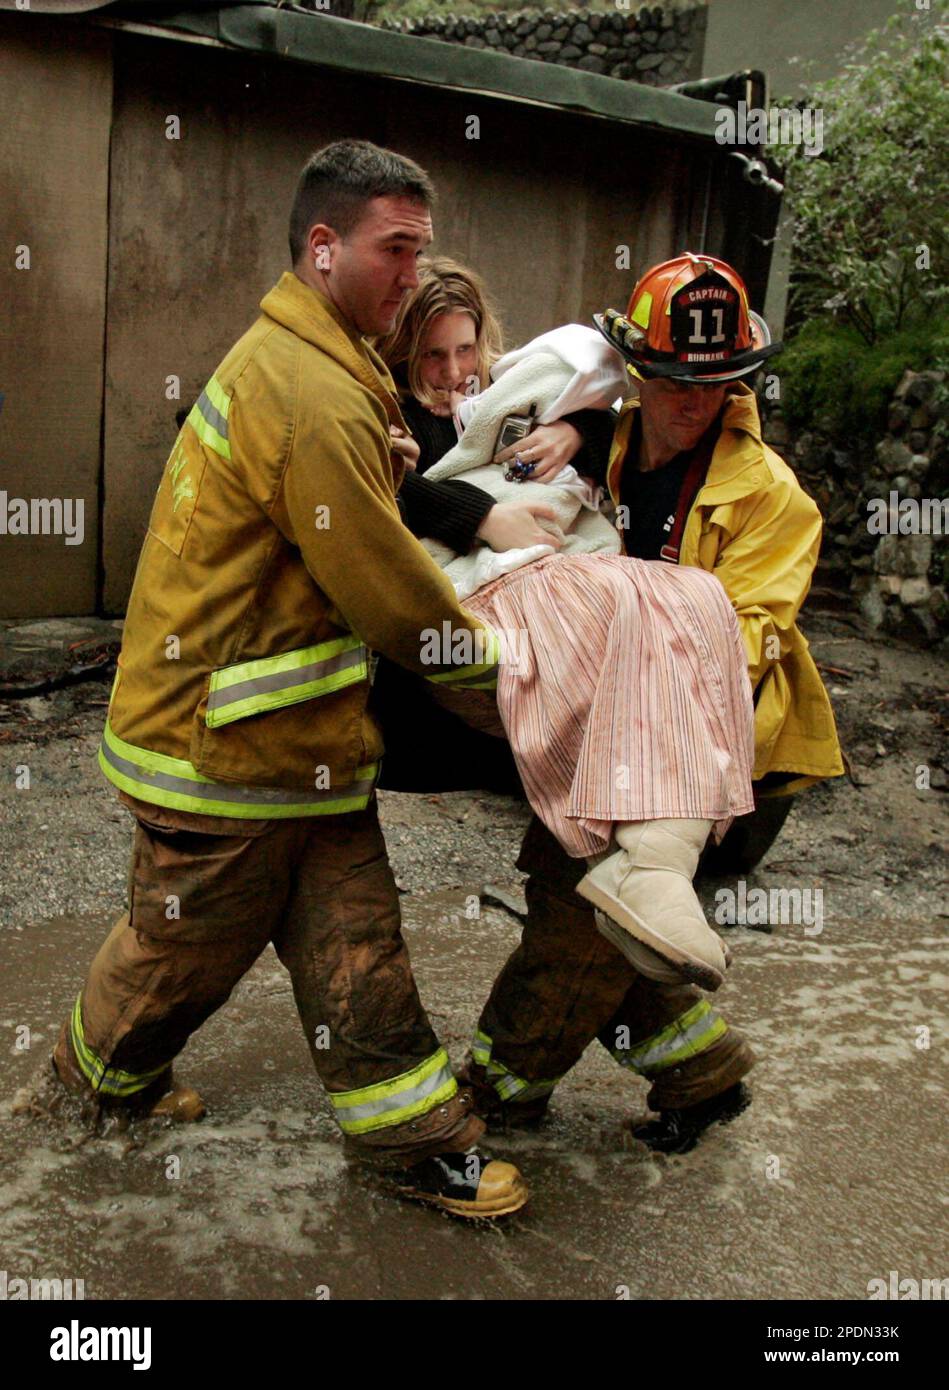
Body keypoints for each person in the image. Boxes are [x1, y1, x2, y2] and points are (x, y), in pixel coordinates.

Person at [39, 140, 533, 1220]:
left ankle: (419, 1140)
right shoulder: (308, 385)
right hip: (227, 755)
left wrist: (387, 474)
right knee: (179, 956)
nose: (414, 274)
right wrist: (518, 691)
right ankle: (84, 1088)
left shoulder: (319, 354)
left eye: (422, 250)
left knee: (356, 939)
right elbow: (391, 596)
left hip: (289, 749)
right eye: (395, 250)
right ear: (323, 247)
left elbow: (325, 520)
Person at [461, 253, 845, 1151]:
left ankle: (499, 1091)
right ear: (636, 369)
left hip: (718, 754)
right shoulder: (609, 436)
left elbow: (739, 646)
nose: (691, 402)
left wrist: (614, 624)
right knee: (619, 915)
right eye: (671, 380)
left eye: (715, 385)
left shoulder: (773, 501)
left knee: (576, 909)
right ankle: (699, 1070)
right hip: (613, 736)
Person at [375, 258, 761, 1051]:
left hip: (625, 682)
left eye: (465, 352)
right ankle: (604, 1047)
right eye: (431, 359)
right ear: (402, 360)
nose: (453, 376)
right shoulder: (387, 420)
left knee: (695, 601)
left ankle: (680, 1030)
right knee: (581, 886)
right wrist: (480, 517)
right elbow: (375, 488)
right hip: (485, 630)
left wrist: (572, 427)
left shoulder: (536, 408)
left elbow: (599, 407)